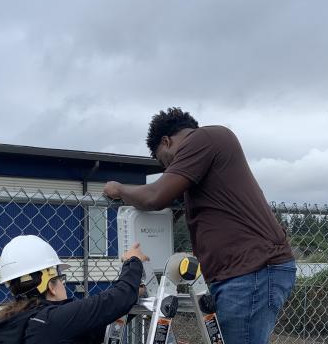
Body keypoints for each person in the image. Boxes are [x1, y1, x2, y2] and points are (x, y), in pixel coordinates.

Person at [103, 107, 296, 344]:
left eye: (162, 160)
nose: (166, 169)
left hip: (251, 270)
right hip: (243, 272)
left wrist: (118, 189)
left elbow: (155, 196)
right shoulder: (200, 170)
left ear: (166, 141)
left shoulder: (206, 138)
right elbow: (162, 200)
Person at [0, 235, 148, 344]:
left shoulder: (17, 325)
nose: (64, 286)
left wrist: (131, 299)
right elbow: (114, 300)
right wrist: (133, 261)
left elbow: (94, 329)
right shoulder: (50, 321)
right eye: (62, 281)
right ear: (51, 287)